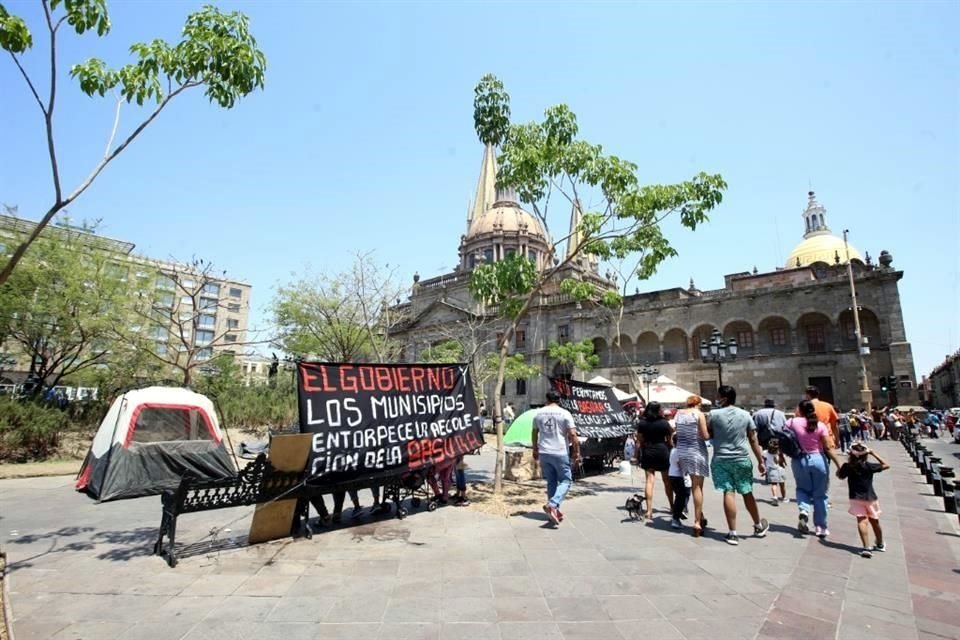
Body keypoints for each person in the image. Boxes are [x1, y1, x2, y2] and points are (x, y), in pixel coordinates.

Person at [708, 385, 770, 545]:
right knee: (747, 491)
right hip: (741, 458)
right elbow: (753, 439)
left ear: (724, 398)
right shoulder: (745, 415)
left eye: (718, 396)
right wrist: (760, 461)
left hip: (721, 459)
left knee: (728, 492)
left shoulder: (713, 415)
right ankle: (757, 525)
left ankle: (733, 533)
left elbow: (709, 434)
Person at [787, 399, 843, 537]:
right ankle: (821, 527)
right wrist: (839, 464)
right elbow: (828, 447)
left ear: (799, 410)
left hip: (799, 460)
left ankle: (804, 510)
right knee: (820, 495)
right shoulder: (820, 425)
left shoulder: (792, 423)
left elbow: (782, 437)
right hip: (818, 459)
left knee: (802, 489)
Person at [532, 389, 580, 526]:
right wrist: (576, 452)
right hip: (560, 451)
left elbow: (534, 432)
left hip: (544, 451)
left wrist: (535, 448)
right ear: (559, 400)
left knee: (551, 481)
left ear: (546, 399)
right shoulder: (565, 413)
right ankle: (553, 504)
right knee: (566, 480)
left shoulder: (538, 413)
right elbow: (573, 434)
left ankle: (553, 511)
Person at [837, 443, 890, 558]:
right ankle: (880, 544)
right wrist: (873, 453)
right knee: (875, 521)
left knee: (861, 521)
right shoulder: (868, 466)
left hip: (855, 498)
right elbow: (886, 465)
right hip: (870, 497)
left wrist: (842, 466)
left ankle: (866, 547)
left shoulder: (848, 466)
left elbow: (839, 475)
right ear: (865, 455)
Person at [674, 395, 711, 536]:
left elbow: (677, 431)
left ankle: (700, 515)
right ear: (697, 404)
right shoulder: (699, 414)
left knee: (696, 487)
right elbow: (705, 435)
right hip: (696, 451)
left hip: (682, 452)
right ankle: (696, 522)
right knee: (697, 487)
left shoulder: (679, 414)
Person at [635, 401, 674, 521]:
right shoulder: (664, 423)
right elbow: (670, 440)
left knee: (649, 481)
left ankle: (649, 510)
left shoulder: (642, 423)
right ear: (658, 410)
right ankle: (672, 507)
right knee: (667, 481)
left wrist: (637, 456)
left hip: (648, 451)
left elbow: (639, 441)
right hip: (662, 450)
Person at [667, 441, 690, 529]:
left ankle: (679, 514)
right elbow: (681, 465)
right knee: (681, 497)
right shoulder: (679, 451)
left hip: (672, 475)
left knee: (680, 496)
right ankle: (676, 518)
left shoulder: (673, 450)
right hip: (678, 476)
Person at [763, 438, 787, 505]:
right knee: (782, 485)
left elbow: (764, 460)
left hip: (771, 470)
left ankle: (775, 497)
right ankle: (784, 498)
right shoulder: (780, 453)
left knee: (774, 485)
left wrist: (764, 468)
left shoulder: (765, 452)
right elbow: (781, 461)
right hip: (780, 469)